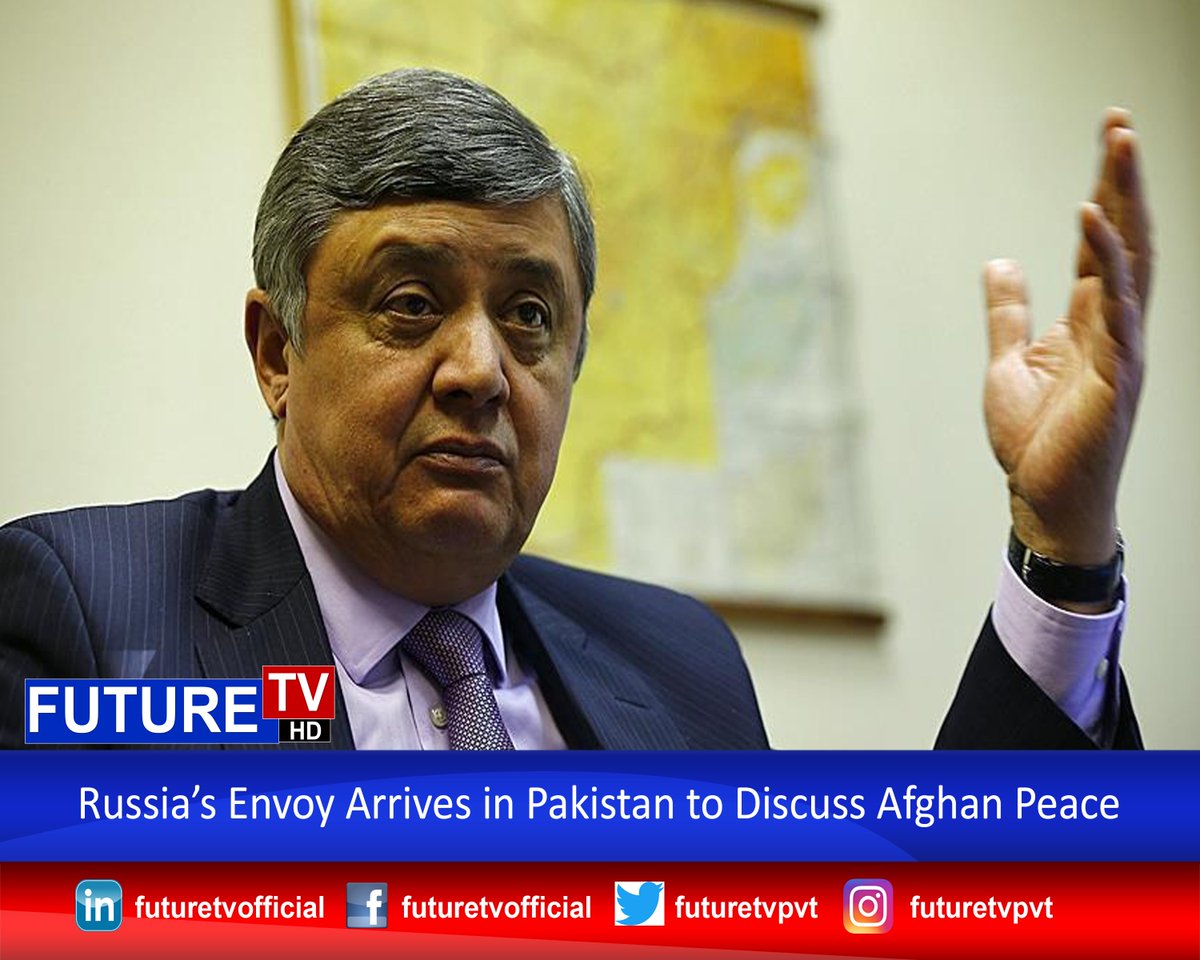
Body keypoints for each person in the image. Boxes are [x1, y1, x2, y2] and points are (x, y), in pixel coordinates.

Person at [0, 69, 1149, 750]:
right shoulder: (92, 621)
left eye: (530, 315)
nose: (481, 371)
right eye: (411, 304)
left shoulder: (680, 664)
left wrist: (1062, 543)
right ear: (276, 353)